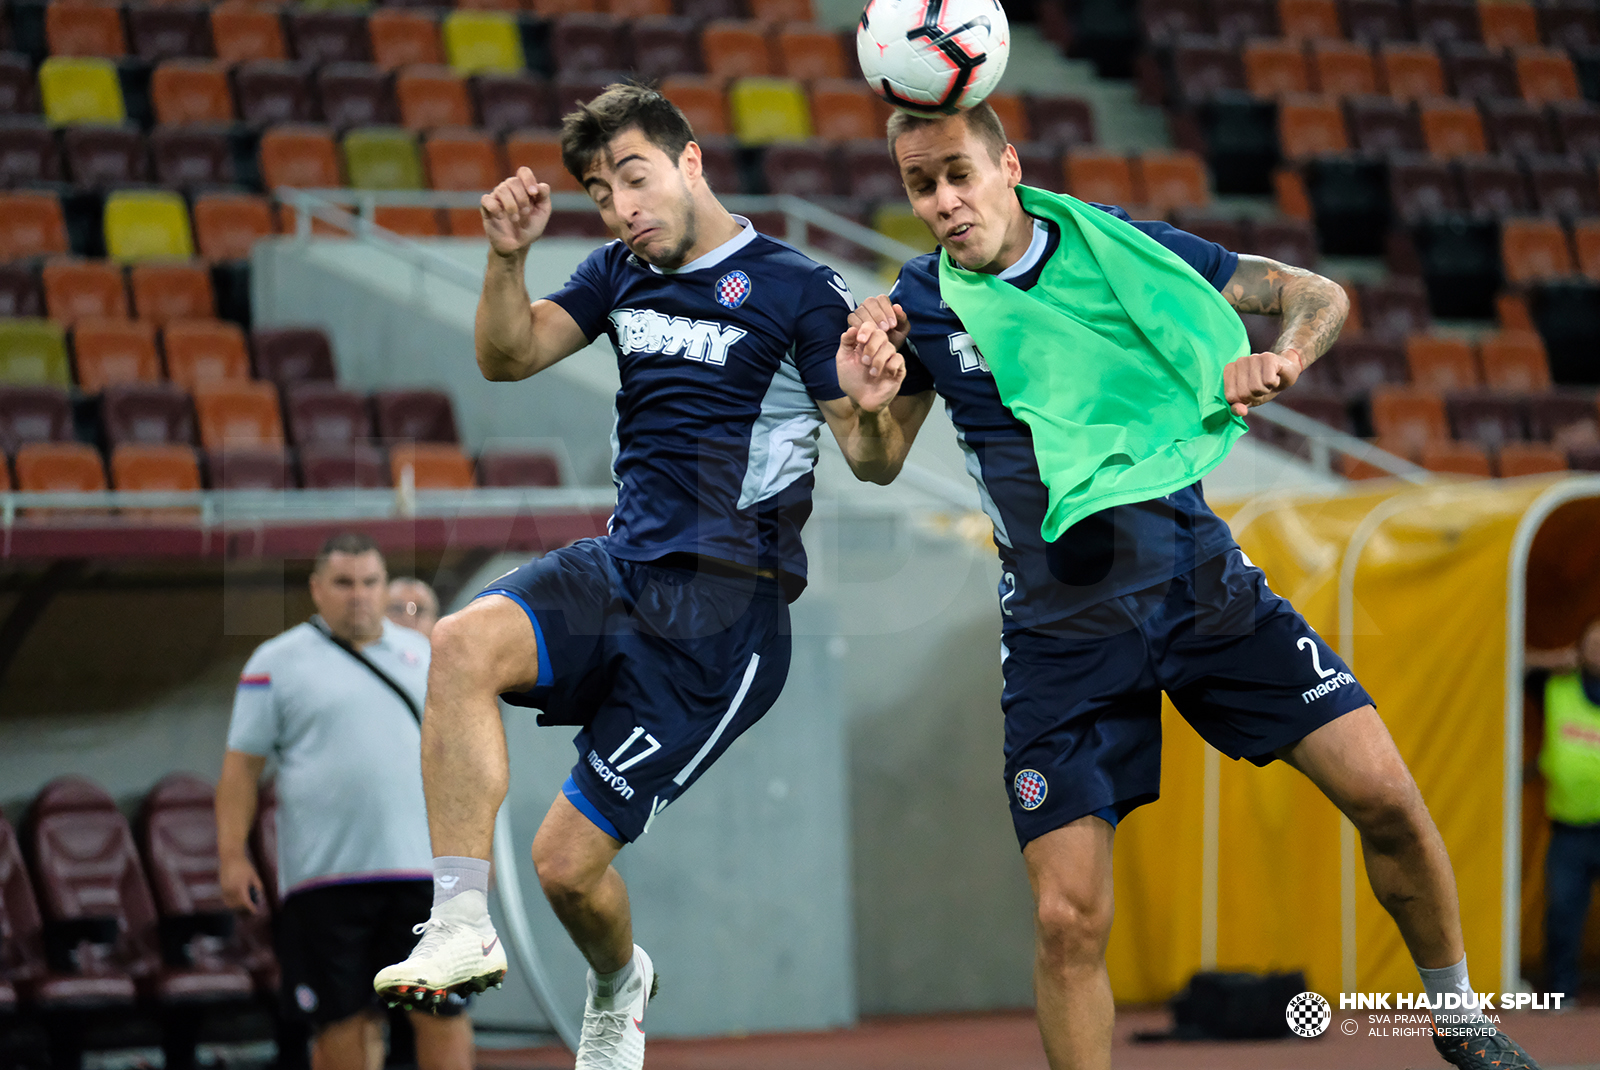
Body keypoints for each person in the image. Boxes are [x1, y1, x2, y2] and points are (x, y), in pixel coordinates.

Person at [833, 103, 1542, 1070]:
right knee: (1066, 918)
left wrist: (1285, 355)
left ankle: (1462, 1021)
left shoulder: (1125, 251)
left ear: (1009, 163)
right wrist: (867, 411)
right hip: (1058, 632)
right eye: (923, 185)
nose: (946, 202)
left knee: (1386, 794)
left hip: (1200, 589)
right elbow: (877, 463)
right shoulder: (921, 301)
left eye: (960, 173)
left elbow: (1315, 292)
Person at [373, 84, 892, 1070]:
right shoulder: (616, 272)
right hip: (620, 567)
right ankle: (457, 918)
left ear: (691, 160)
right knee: (457, 643)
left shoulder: (795, 289)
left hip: (725, 616)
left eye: (635, 177)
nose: (620, 206)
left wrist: (870, 404)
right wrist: (507, 255)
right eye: (600, 191)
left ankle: (618, 981)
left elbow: (868, 456)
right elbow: (507, 354)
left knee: (567, 867)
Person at [217, 534, 475, 1070]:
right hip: (324, 880)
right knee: (340, 1021)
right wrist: (231, 856)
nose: (358, 594)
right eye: (343, 583)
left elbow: (464, 764)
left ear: (384, 588)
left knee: (443, 1014)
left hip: (423, 872)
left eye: (369, 582)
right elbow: (242, 769)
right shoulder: (276, 662)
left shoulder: (426, 657)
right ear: (316, 589)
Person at [1528, 616, 1600, 1007]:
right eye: (1593, 643)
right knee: (1563, 915)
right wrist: (1556, 658)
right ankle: (1561, 995)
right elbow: (1511, 660)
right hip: (1570, 829)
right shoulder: (1557, 687)